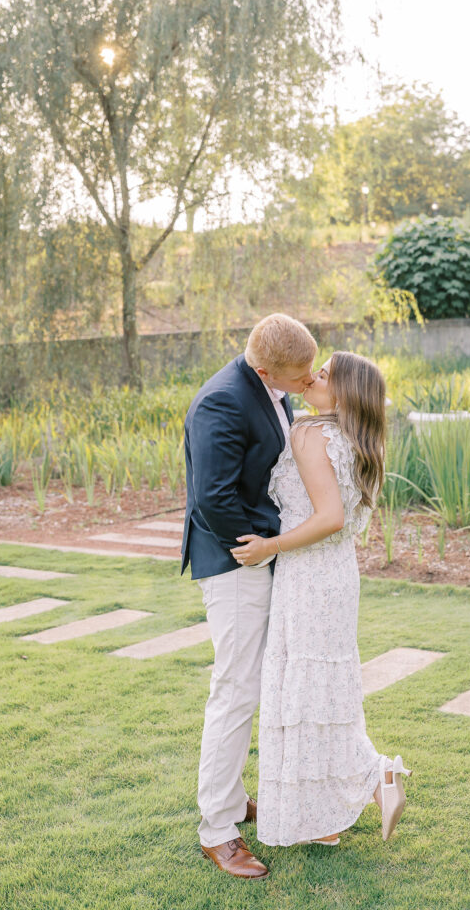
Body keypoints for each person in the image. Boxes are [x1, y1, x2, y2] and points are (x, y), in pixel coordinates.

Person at [231, 351, 411, 851]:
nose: (313, 377)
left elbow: (330, 517)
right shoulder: (351, 439)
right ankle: (324, 815)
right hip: (333, 574)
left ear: (344, 394)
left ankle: (375, 777)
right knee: (321, 696)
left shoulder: (312, 434)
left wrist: (270, 546)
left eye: (325, 374)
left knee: (308, 693)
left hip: (309, 574)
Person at [181, 313, 317, 879]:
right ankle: (217, 829)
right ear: (265, 370)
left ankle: (234, 801)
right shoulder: (222, 402)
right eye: (299, 375)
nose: (308, 381)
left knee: (250, 686)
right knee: (235, 691)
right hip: (234, 562)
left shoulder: (270, 387)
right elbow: (212, 498)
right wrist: (257, 550)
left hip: (261, 555)